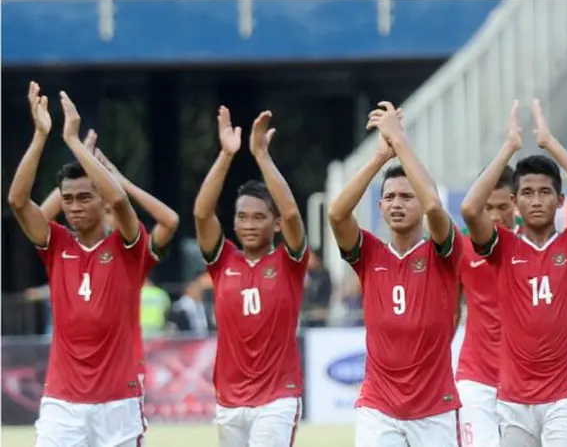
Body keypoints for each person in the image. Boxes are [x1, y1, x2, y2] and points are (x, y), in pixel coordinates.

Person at [8, 83, 151, 446]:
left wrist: (73, 142)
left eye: (84, 198)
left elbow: (118, 198)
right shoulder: (56, 245)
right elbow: (18, 201)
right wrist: (42, 135)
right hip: (62, 403)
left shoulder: (127, 246)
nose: (74, 206)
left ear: (100, 200)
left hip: (119, 402)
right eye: (67, 199)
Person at [461, 100, 567, 447]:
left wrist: (549, 143)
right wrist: (509, 147)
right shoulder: (502, 247)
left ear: (560, 201)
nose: (537, 200)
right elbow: (469, 208)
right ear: (515, 201)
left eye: (546, 192)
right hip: (513, 397)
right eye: (527, 193)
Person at [327, 101, 462, 447]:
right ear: (380, 206)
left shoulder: (442, 251)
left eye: (406, 196)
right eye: (389, 197)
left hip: (434, 408)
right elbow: (337, 215)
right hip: (378, 406)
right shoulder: (369, 254)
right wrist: (378, 159)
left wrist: (400, 141)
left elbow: (433, 203)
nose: (397, 203)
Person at [193, 106, 307, 447]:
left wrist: (261, 156)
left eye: (259, 218)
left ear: (274, 225)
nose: (249, 224)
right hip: (229, 399)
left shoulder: (290, 261)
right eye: (242, 217)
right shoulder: (222, 258)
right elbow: (201, 213)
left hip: (277, 398)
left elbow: (290, 212)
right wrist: (227, 154)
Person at [39, 131, 179, 390]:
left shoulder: (133, 250)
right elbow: (38, 217)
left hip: (123, 365)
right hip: (76, 374)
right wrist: (81, 168)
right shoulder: (71, 246)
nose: (108, 217)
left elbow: (170, 220)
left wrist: (120, 181)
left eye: (110, 211)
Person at [455, 162, 516, 447]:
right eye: (487, 208)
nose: (494, 216)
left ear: (516, 203)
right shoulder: (461, 249)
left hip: (526, 382)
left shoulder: (536, 247)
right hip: (476, 378)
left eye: (502, 207)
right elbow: (451, 312)